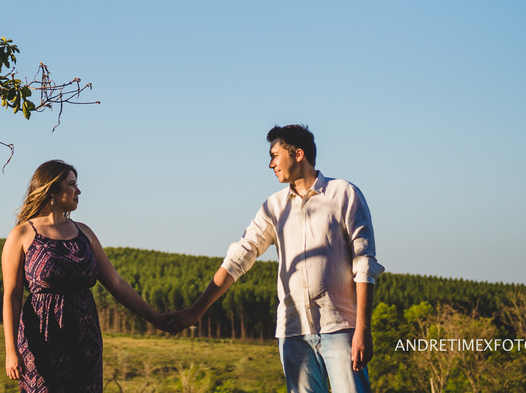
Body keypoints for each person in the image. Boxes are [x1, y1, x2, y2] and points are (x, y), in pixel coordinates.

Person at [164, 124, 384, 393]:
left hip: (341, 329)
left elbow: (363, 265)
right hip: (293, 334)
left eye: (275, 155)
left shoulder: (344, 194)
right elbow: (239, 257)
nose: (270, 164)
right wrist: (195, 312)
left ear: (298, 154)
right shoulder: (273, 207)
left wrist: (363, 329)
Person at [2, 160, 164, 391]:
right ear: (52, 189)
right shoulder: (21, 235)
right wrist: (11, 350)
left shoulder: (84, 233)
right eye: (72, 184)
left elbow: (116, 283)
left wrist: (155, 318)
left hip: (84, 341)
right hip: (41, 340)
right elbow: (11, 296)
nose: (78, 191)